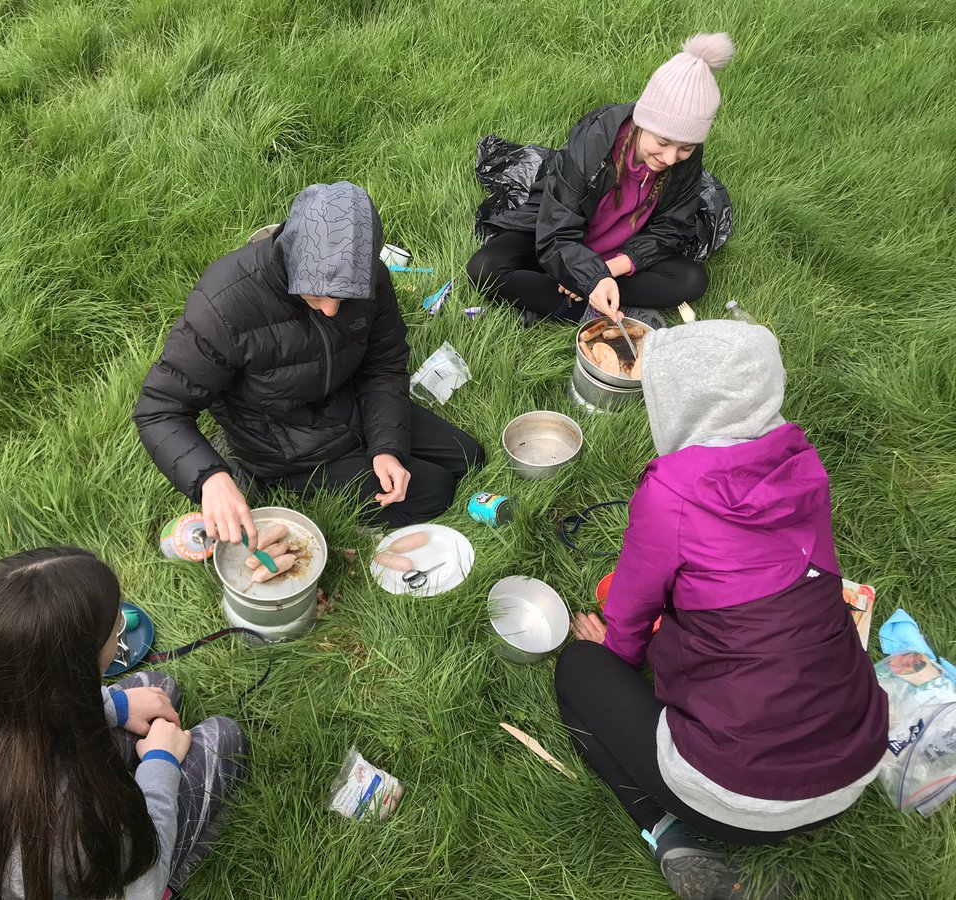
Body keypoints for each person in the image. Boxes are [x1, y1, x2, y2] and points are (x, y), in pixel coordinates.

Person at [553, 321, 888, 900]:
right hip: (853, 770)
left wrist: (608, 656)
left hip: (735, 795)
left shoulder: (672, 492)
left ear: (680, 399)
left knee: (577, 672)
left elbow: (630, 615)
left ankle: (672, 834)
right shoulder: (804, 465)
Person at [0, 546, 248, 900]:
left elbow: (12, 707)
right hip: (74, 867)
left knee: (158, 688)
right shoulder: (70, 816)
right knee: (222, 739)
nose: (118, 632)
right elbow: (138, 881)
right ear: (73, 669)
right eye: (115, 630)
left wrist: (115, 705)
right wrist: (161, 762)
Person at [134, 181, 485, 544]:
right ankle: (256, 478)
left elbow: (383, 364)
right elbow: (160, 409)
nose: (332, 309)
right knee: (436, 491)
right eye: (318, 292)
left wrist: (386, 447)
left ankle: (368, 455)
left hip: (347, 402)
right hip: (285, 442)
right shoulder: (224, 305)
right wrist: (209, 478)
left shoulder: (370, 276)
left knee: (469, 457)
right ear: (292, 258)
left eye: (346, 296)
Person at [467, 33, 733, 324]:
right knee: (485, 268)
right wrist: (589, 276)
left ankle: (573, 299)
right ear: (643, 123)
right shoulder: (595, 140)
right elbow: (557, 228)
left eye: (685, 148)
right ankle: (597, 307)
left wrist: (606, 271)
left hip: (620, 250)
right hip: (558, 238)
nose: (670, 159)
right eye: (664, 142)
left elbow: (672, 228)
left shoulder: (686, 158)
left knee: (692, 280)